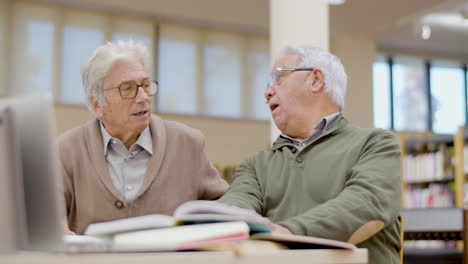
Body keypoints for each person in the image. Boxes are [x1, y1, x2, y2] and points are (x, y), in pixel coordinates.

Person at [218, 46, 402, 264]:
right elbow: (238, 201)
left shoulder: (375, 144)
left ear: (315, 79)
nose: (267, 93)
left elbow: (367, 204)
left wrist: (288, 233)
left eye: (279, 78)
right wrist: (229, 218)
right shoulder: (256, 165)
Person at [58, 40, 228, 235]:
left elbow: (226, 206)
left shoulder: (188, 143)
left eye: (146, 85)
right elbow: (41, 221)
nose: (143, 97)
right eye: (128, 88)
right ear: (97, 104)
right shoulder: (67, 150)